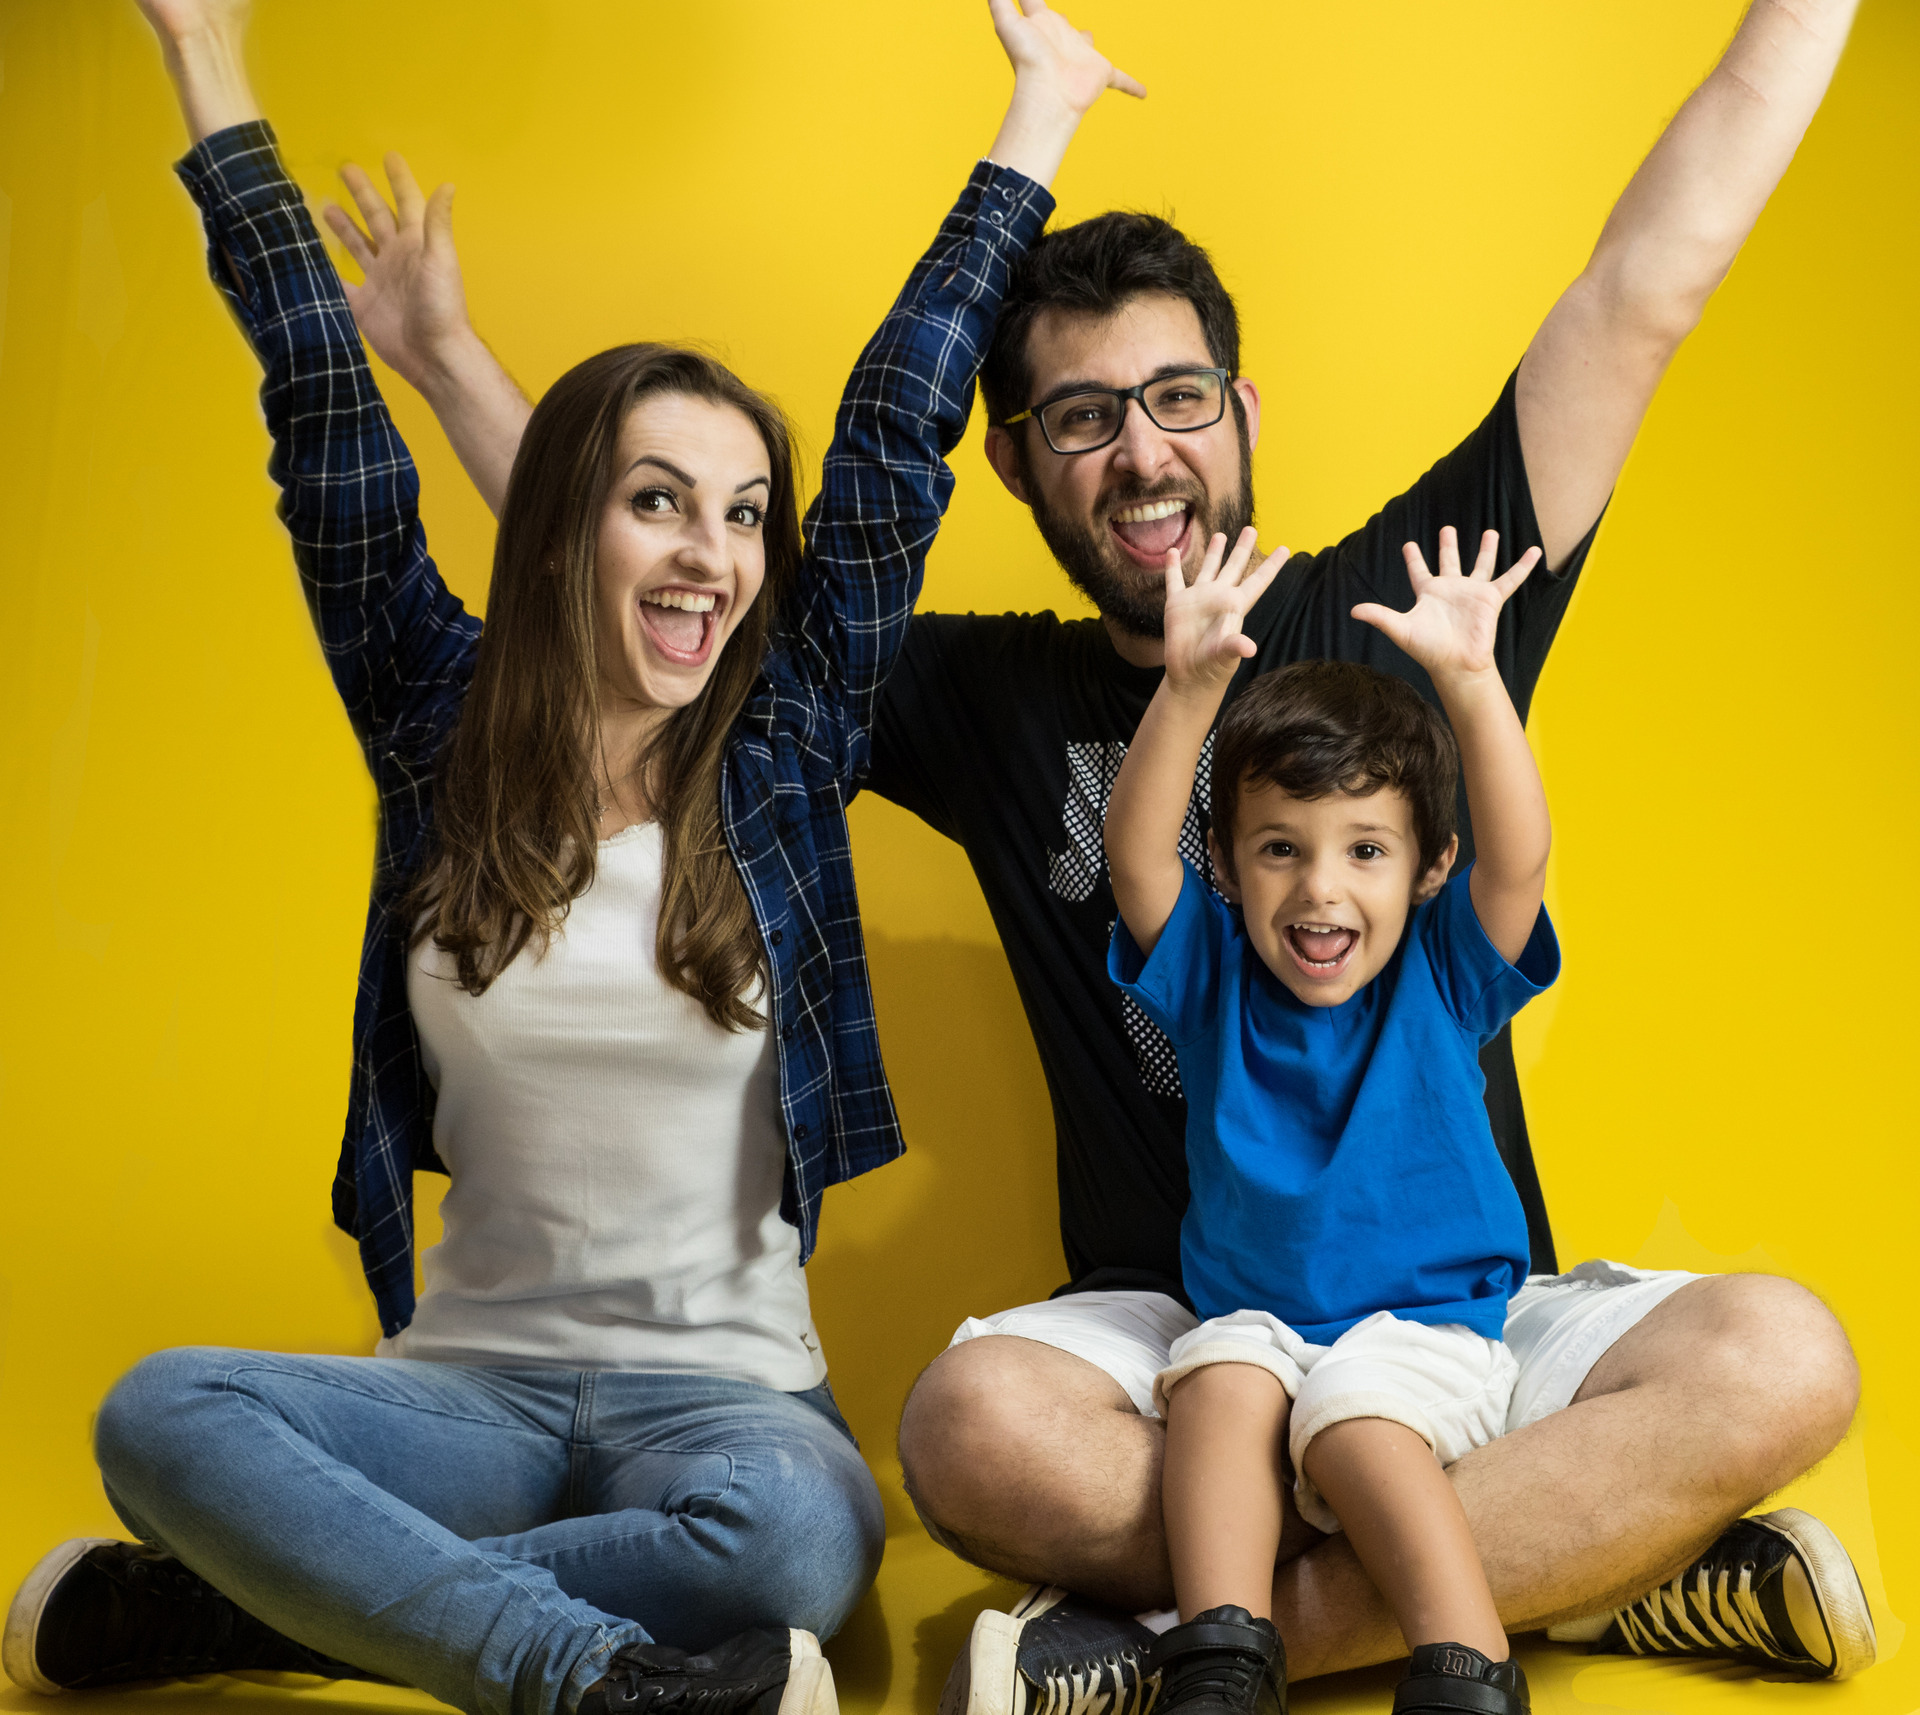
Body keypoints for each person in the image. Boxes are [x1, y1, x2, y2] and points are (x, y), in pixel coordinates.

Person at [337, 0, 1878, 1704]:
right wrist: (444, 357)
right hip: (1177, 1328)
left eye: (1177, 396)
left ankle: (1196, 1644)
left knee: (1783, 1358)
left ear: (1241, 406)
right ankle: (1586, 1566)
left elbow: (1644, 288)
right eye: (1082, 419)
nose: (1144, 451)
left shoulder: (1401, 610)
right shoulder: (986, 699)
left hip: (1456, 1311)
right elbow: (680, 586)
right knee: (968, 1430)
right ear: (1014, 462)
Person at [0, 3, 1141, 1713]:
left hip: (730, 1402)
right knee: (158, 1414)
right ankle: (587, 1675)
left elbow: (896, 433)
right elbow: (321, 409)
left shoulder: (781, 743)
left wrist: (1037, 118)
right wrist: (203, 56)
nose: (713, 554)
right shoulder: (432, 716)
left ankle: (249, 1610)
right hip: (464, 1400)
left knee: (801, 1540)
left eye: (743, 512)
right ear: (560, 532)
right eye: (657, 500)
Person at [1099, 522, 1555, 1715]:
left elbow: (1520, 863)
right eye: (1280, 849)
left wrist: (1471, 682)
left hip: (1427, 1326)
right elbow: (1134, 858)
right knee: (1215, 1384)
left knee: (1354, 1417)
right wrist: (1188, 686)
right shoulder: (1213, 973)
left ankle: (1467, 1665)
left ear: (1428, 866)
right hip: (1260, 1318)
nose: (1320, 888)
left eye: (1365, 850)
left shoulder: (1445, 970)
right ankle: (1221, 1654)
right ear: (1226, 863)